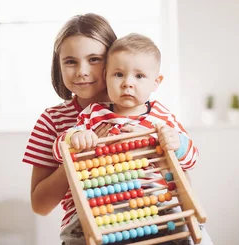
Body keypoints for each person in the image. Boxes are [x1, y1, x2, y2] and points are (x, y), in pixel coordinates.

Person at [53, 33, 212, 245]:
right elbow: (59, 149)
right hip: (107, 204)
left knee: (190, 233)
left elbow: (192, 158)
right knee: (80, 234)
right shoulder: (95, 114)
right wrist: (76, 137)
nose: (128, 83)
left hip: (157, 204)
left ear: (156, 82)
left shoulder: (161, 117)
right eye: (118, 75)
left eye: (139, 76)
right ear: (106, 76)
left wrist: (177, 144)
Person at [22, 13, 119, 242]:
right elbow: (40, 205)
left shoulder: (136, 111)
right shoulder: (52, 120)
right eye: (70, 61)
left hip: (142, 223)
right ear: (59, 66)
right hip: (85, 233)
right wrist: (76, 158)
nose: (82, 71)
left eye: (94, 59)